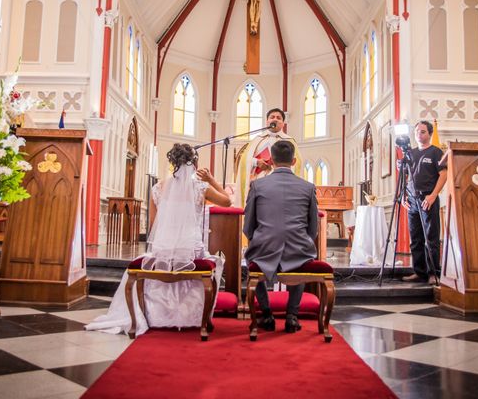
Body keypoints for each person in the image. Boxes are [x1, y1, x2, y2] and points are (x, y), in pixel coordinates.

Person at [86, 143, 231, 336]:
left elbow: (154, 222)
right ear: (194, 163)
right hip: (191, 249)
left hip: (163, 248)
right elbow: (228, 201)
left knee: (152, 262)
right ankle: (193, 318)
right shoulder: (201, 187)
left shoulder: (158, 188)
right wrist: (211, 179)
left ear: (172, 163)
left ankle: (156, 316)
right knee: (214, 264)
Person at [243, 140, 318, 333]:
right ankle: (292, 316)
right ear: (294, 161)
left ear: (272, 161)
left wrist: (258, 239)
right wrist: (302, 241)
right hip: (299, 247)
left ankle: (266, 315)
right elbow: (313, 229)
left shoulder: (258, 185)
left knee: (251, 260)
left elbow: (248, 226)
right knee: (301, 259)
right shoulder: (308, 187)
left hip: (264, 247)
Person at [402, 121, 447, 284]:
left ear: (429, 134)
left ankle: (433, 273)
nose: (418, 135)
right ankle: (419, 272)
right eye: (416, 132)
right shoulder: (410, 153)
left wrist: (434, 195)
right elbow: (406, 177)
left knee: (431, 238)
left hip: (428, 198)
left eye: (422, 132)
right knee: (416, 238)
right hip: (412, 199)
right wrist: (403, 196)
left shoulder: (436, 152)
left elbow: (443, 174)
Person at [234, 108, 301, 208]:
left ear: (283, 123)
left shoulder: (289, 141)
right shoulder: (257, 140)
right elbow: (244, 160)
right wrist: (257, 162)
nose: (275, 119)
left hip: (280, 185)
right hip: (258, 184)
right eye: (272, 117)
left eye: (279, 118)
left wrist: (276, 166)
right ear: (267, 121)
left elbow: (297, 163)